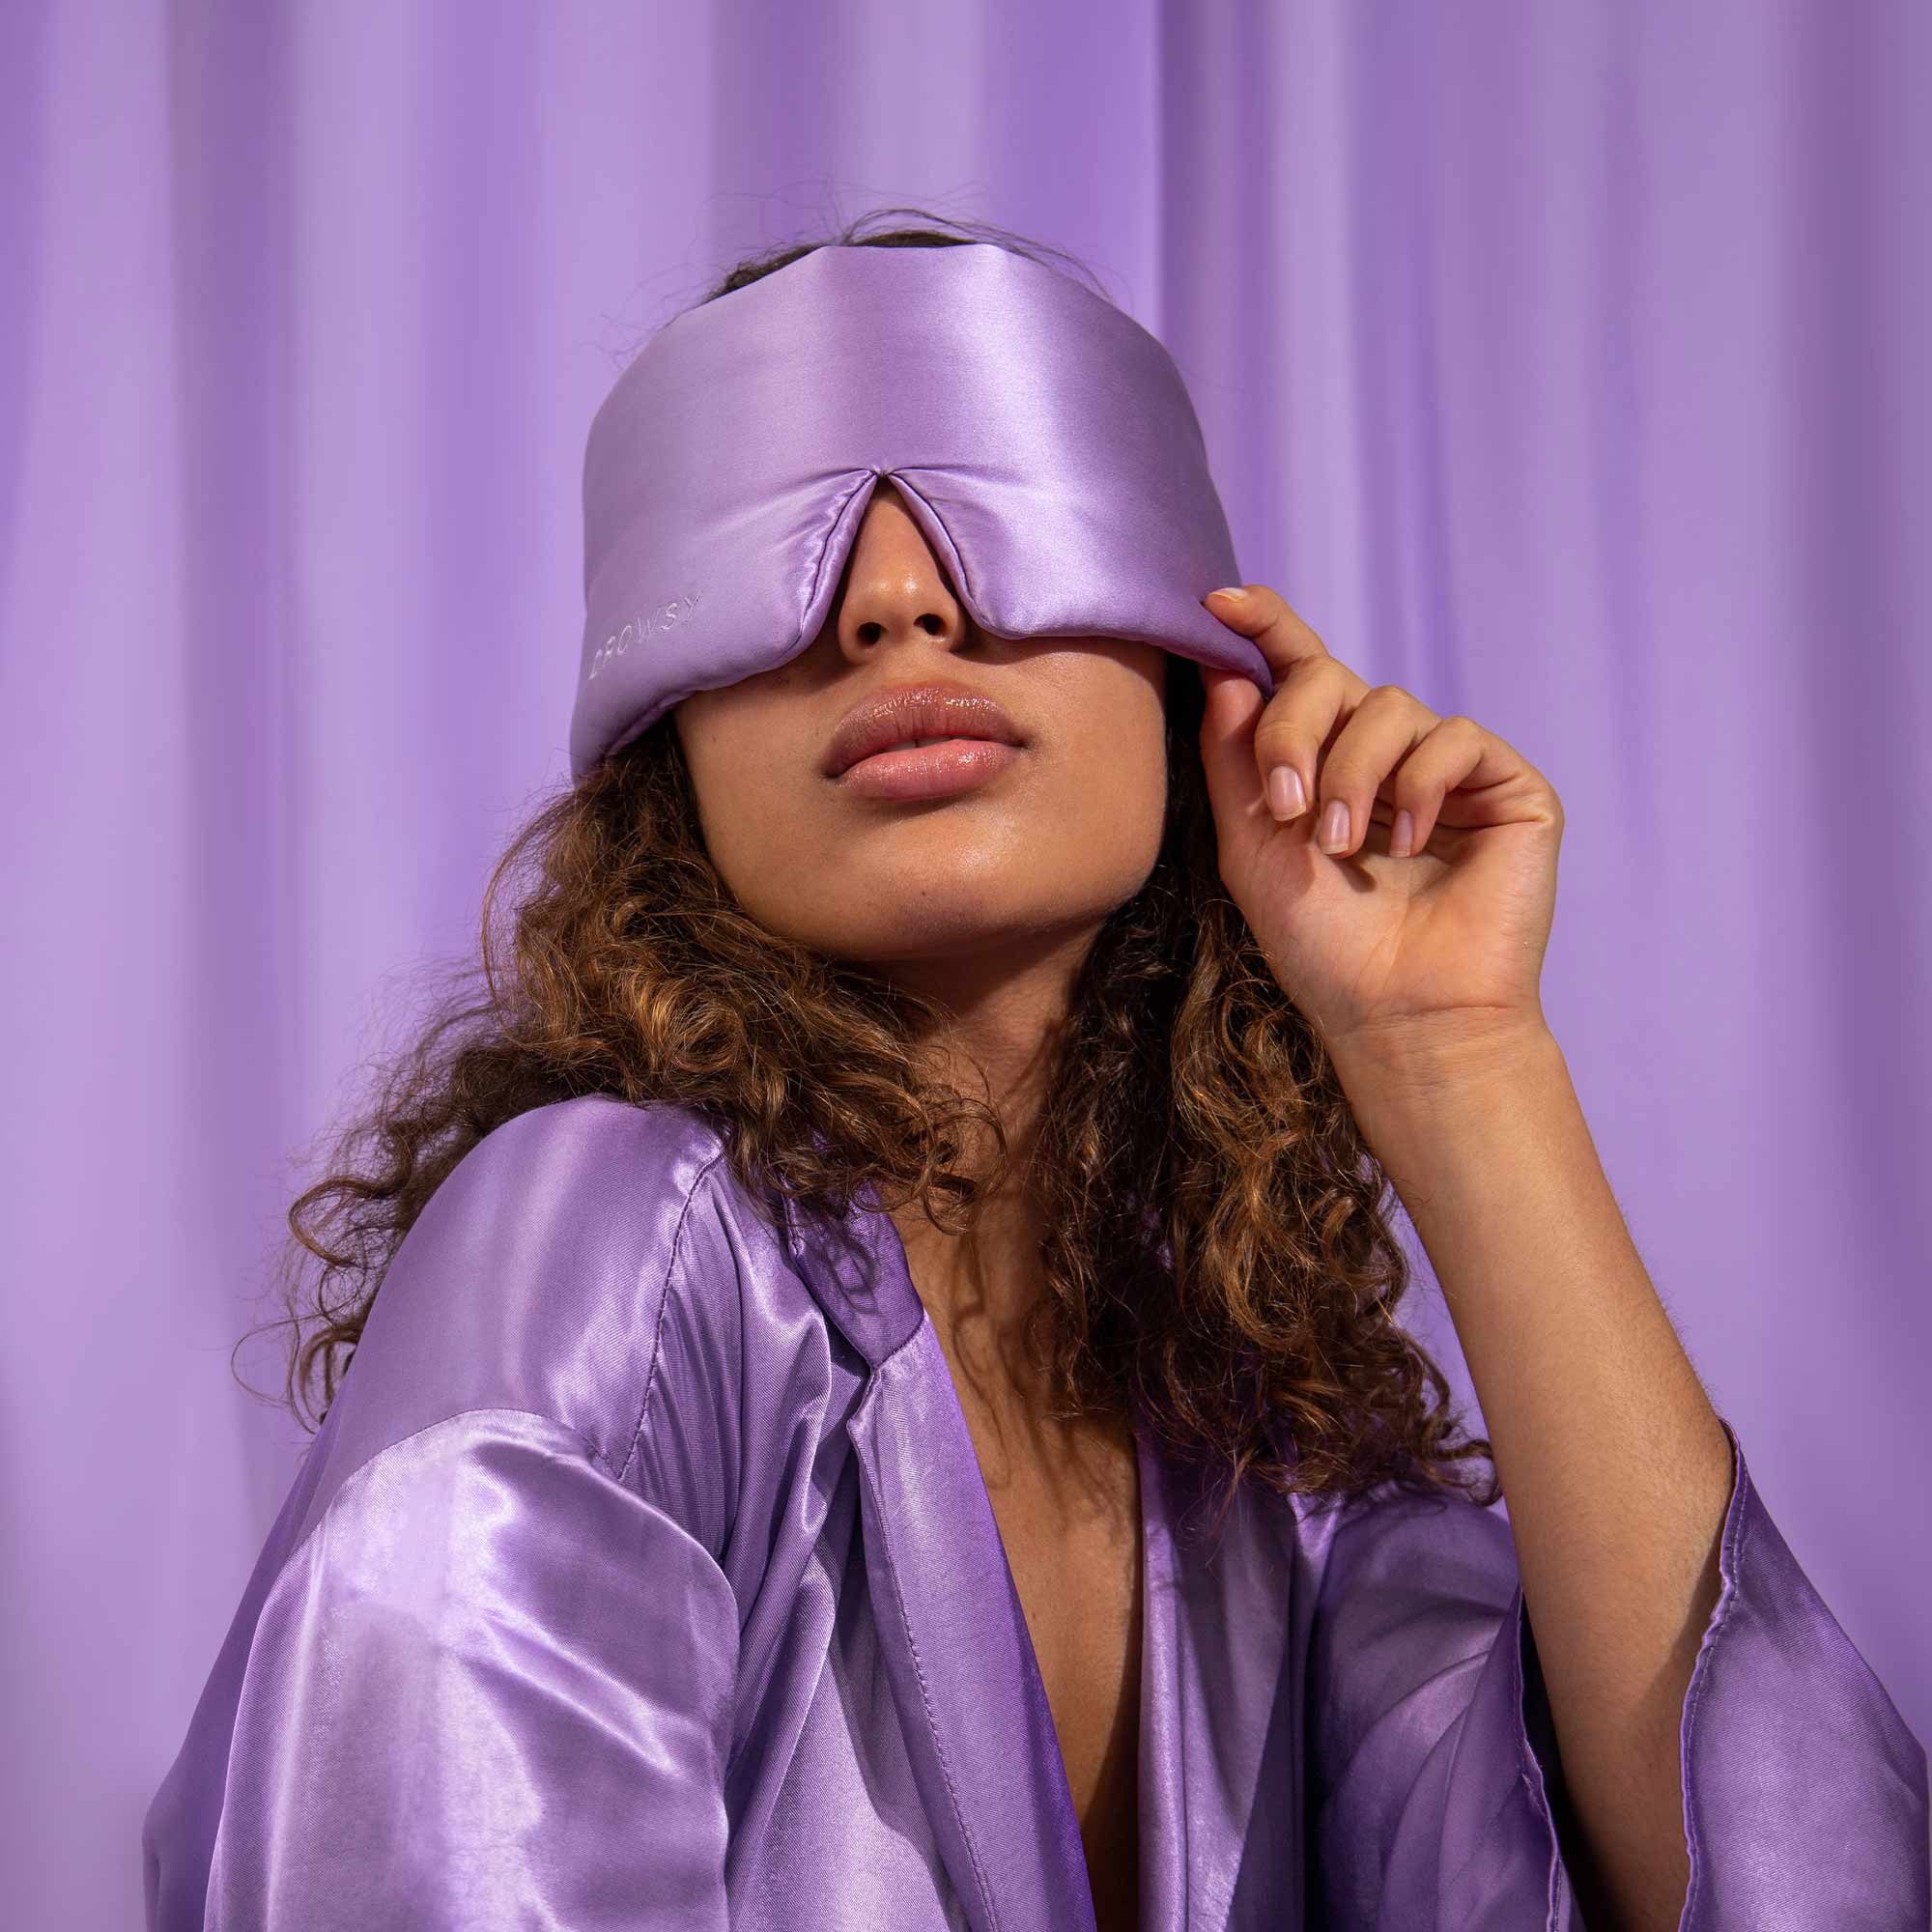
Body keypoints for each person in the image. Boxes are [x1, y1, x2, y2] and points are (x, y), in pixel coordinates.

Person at [143, 212, 1927, 1932]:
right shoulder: (605, 1256)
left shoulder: (1256, 1449)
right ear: (662, 745)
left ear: (1188, 663)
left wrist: (1460, 1060)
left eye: (1001, 509)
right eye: (776, 547)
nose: (897, 605)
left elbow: (1776, 1875)